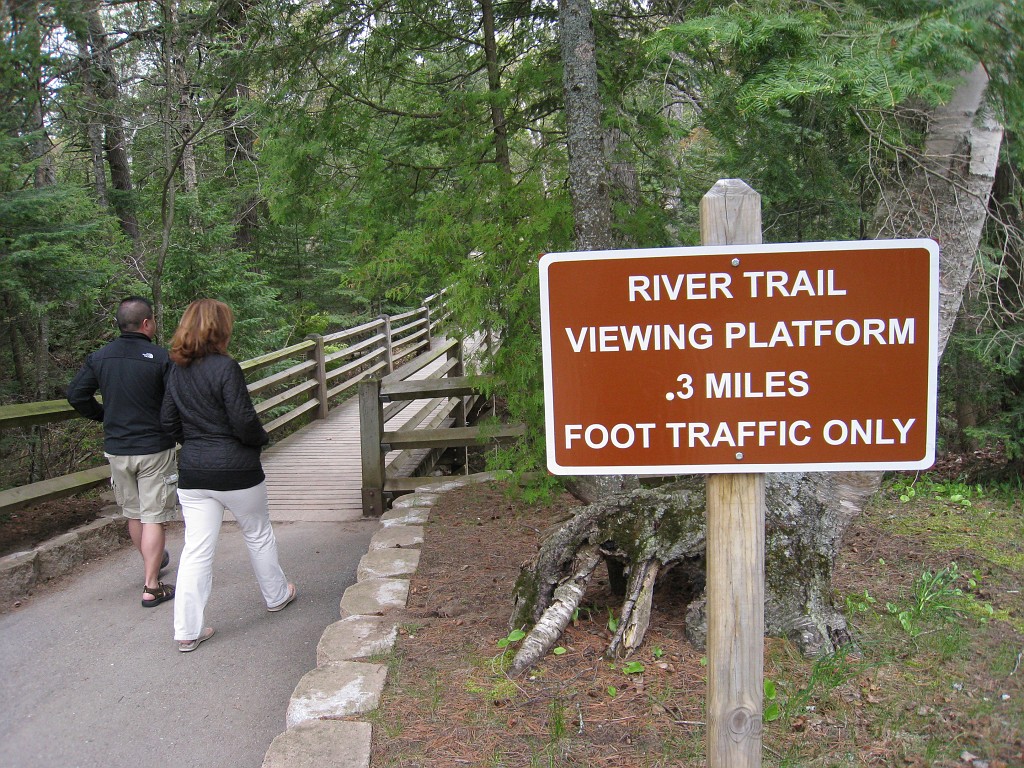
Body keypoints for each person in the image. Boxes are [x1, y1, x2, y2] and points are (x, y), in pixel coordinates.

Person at [161, 299, 296, 652]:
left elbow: (167, 422)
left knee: (196, 549)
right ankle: (277, 595)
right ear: (220, 328)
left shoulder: (175, 370)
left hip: (194, 472)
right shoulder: (226, 367)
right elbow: (243, 420)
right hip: (237, 469)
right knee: (257, 533)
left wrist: (195, 444)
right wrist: (258, 442)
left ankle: (187, 631)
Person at [67, 296, 177, 608]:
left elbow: (76, 394)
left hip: (118, 448)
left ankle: (150, 566)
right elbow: (173, 401)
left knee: (134, 513)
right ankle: (152, 585)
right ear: (146, 324)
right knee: (154, 516)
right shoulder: (160, 358)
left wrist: (104, 414)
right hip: (154, 447)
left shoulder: (100, 357)